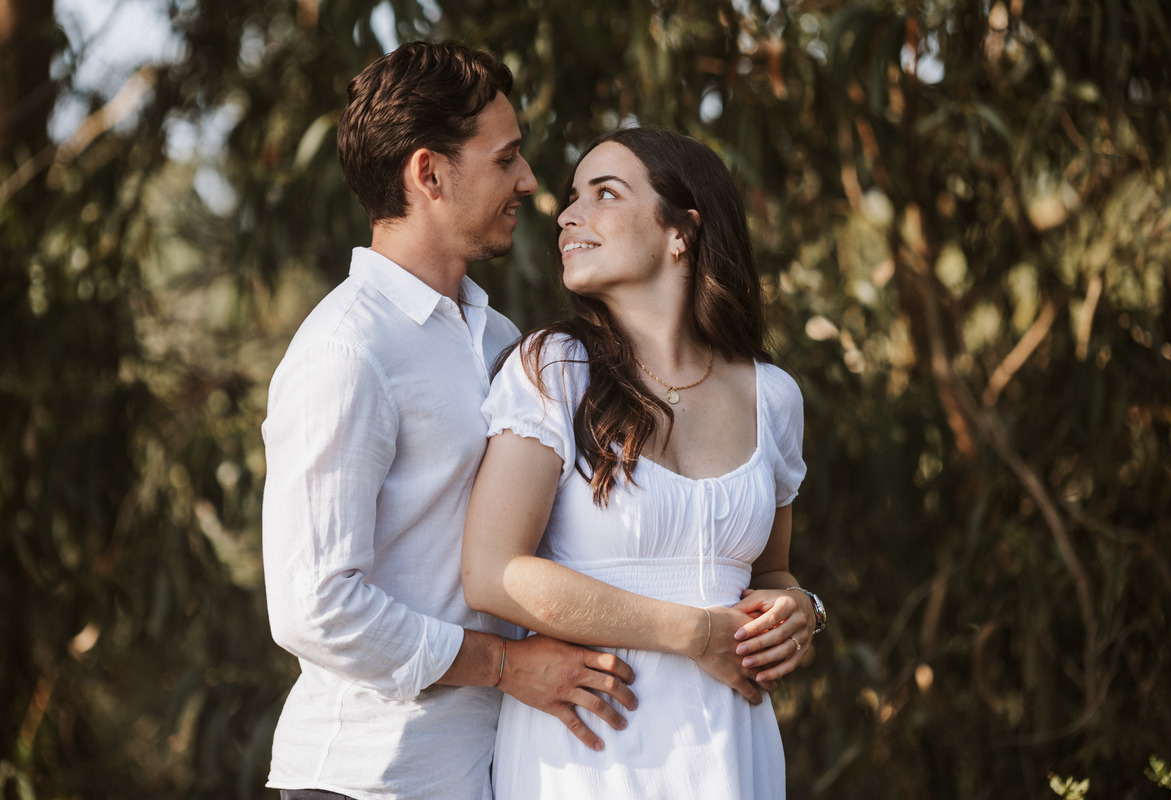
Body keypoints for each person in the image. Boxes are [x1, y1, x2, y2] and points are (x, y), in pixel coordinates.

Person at [260, 41, 637, 800]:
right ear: (428, 173)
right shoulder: (348, 348)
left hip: (485, 771)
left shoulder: (502, 343)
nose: (531, 182)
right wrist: (504, 665)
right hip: (366, 779)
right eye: (506, 160)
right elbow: (314, 605)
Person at [461, 126, 826, 799]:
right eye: (572, 198)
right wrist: (694, 633)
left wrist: (798, 608)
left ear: (681, 231)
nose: (568, 215)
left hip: (730, 749)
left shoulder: (772, 397)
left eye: (604, 194)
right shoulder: (553, 370)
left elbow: (769, 573)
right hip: (590, 749)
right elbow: (492, 574)